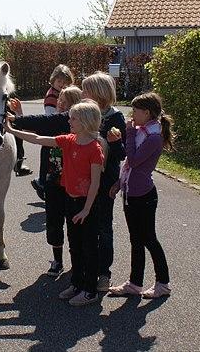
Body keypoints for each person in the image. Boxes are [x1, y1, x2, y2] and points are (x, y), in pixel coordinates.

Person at [8, 100, 106, 306]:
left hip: (86, 206)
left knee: (89, 248)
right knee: (75, 246)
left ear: (86, 122)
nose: (68, 120)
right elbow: (37, 138)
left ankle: (90, 291)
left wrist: (86, 210)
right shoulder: (69, 140)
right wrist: (11, 129)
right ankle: (76, 283)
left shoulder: (95, 149)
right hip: (71, 202)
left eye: (73, 118)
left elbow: (95, 184)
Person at [9, 86, 83, 277]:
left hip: (71, 184)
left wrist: (16, 118)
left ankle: (69, 263)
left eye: (63, 101)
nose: (59, 104)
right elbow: (36, 129)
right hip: (54, 181)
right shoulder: (62, 120)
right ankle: (60, 261)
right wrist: (19, 115)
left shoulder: (68, 121)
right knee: (56, 223)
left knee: (67, 225)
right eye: (59, 101)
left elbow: (42, 123)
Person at [108, 92, 174, 299]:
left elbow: (134, 160)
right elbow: (129, 165)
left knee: (149, 239)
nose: (132, 114)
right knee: (135, 240)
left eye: (135, 110)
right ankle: (135, 283)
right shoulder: (141, 131)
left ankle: (163, 283)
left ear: (146, 113)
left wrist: (127, 133)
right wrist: (119, 183)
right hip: (131, 193)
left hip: (144, 195)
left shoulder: (153, 137)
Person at [81, 72, 127, 292]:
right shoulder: (85, 114)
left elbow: (121, 154)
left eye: (86, 90)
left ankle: (103, 273)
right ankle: (85, 266)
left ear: (98, 94)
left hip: (105, 182)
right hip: (82, 181)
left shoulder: (115, 118)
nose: (82, 94)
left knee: (103, 227)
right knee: (84, 225)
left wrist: (115, 143)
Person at [30, 64, 76, 199]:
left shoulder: (61, 94)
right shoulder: (51, 96)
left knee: (52, 160)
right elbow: (51, 117)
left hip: (58, 132)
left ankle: (44, 181)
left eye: (65, 82)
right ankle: (43, 182)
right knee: (48, 159)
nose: (62, 84)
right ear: (53, 80)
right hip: (52, 132)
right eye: (59, 81)